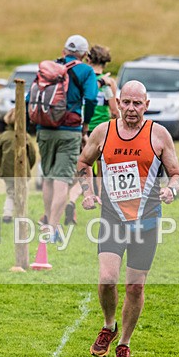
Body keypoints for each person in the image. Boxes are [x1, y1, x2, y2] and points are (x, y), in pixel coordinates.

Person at [77, 81, 179, 357]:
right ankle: (108, 326)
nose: (131, 109)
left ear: (146, 105)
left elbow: (177, 174)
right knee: (107, 279)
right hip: (112, 218)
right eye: (127, 102)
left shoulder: (159, 135)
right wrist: (87, 192)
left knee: (135, 286)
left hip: (146, 222)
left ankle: (124, 340)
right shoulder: (104, 132)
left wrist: (171, 189)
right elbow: (84, 163)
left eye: (138, 104)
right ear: (118, 102)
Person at [34, 35, 97, 239]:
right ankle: (52, 228)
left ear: (64, 51)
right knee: (62, 179)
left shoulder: (50, 68)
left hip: (44, 128)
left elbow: (29, 97)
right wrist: (85, 125)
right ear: (85, 55)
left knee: (48, 176)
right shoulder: (86, 71)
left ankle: (47, 223)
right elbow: (91, 98)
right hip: (69, 131)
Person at [65, 44, 119, 226]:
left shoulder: (85, 80)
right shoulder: (108, 83)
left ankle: (71, 201)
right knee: (102, 173)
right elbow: (114, 110)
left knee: (84, 171)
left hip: (84, 129)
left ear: (89, 59)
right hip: (103, 131)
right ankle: (105, 210)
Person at [0, 107, 36, 223]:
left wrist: (2, 167)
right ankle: (21, 215)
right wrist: (29, 167)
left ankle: (7, 213)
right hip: (22, 171)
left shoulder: (3, 136)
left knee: (10, 193)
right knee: (22, 193)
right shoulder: (25, 137)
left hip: (7, 170)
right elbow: (32, 155)